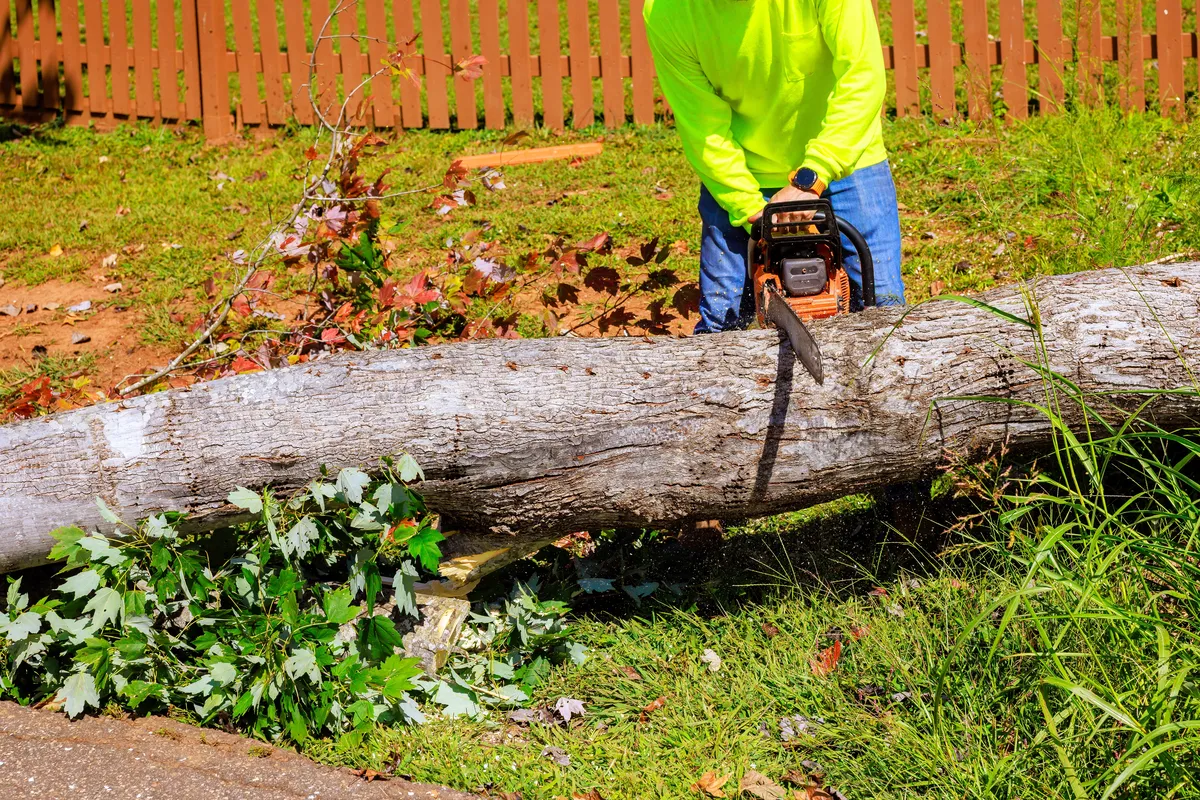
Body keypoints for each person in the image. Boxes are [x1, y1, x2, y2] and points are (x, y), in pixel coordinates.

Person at [643, 0, 906, 334]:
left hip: (847, 157)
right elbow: (703, 130)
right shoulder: (668, 11)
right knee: (720, 326)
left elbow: (863, 78)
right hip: (742, 171)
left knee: (882, 308)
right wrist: (749, 208)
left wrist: (812, 176)